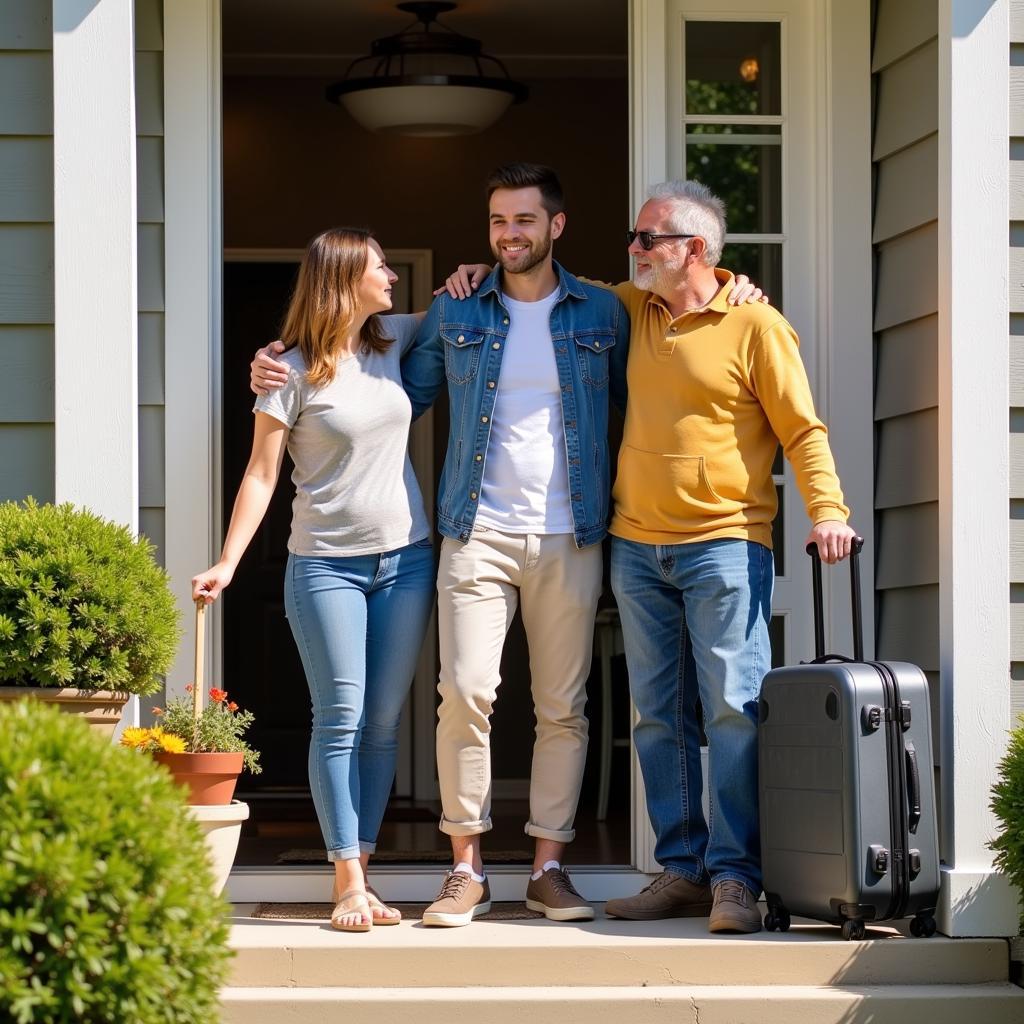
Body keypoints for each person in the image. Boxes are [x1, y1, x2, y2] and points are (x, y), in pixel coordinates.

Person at [252, 166, 761, 928]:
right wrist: (283, 359)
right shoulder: (460, 308)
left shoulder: (606, 308)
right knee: (465, 695)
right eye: (497, 221)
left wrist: (733, 284)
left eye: (524, 220)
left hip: (573, 532)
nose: (508, 234)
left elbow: (684, 309)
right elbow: (384, 370)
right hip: (474, 532)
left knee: (564, 706)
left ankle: (549, 868)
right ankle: (467, 870)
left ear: (556, 226)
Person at [444, 179, 856, 934]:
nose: (631, 250)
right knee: (659, 719)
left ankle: (738, 879)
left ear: (693, 250)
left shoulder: (757, 326)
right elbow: (544, 282)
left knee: (733, 710)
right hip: (636, 546)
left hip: (725, 543)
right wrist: (476, 274)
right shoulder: (627, 310)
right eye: (635, 238)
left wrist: (827, 511)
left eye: (646, 239)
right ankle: (684, 871)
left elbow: (803, 431)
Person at [193, 227, 436, 933]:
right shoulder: (287, 372)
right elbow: (262, 474)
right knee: (342, 718)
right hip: (325, 564)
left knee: (385, 726)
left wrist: (476, 270)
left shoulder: (391, 336)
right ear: (343, 280)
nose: (391, 274)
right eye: (380, 266)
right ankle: (347, 881)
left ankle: (365, 864)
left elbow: (471, 304)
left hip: (407, 560)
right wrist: (229, 561)